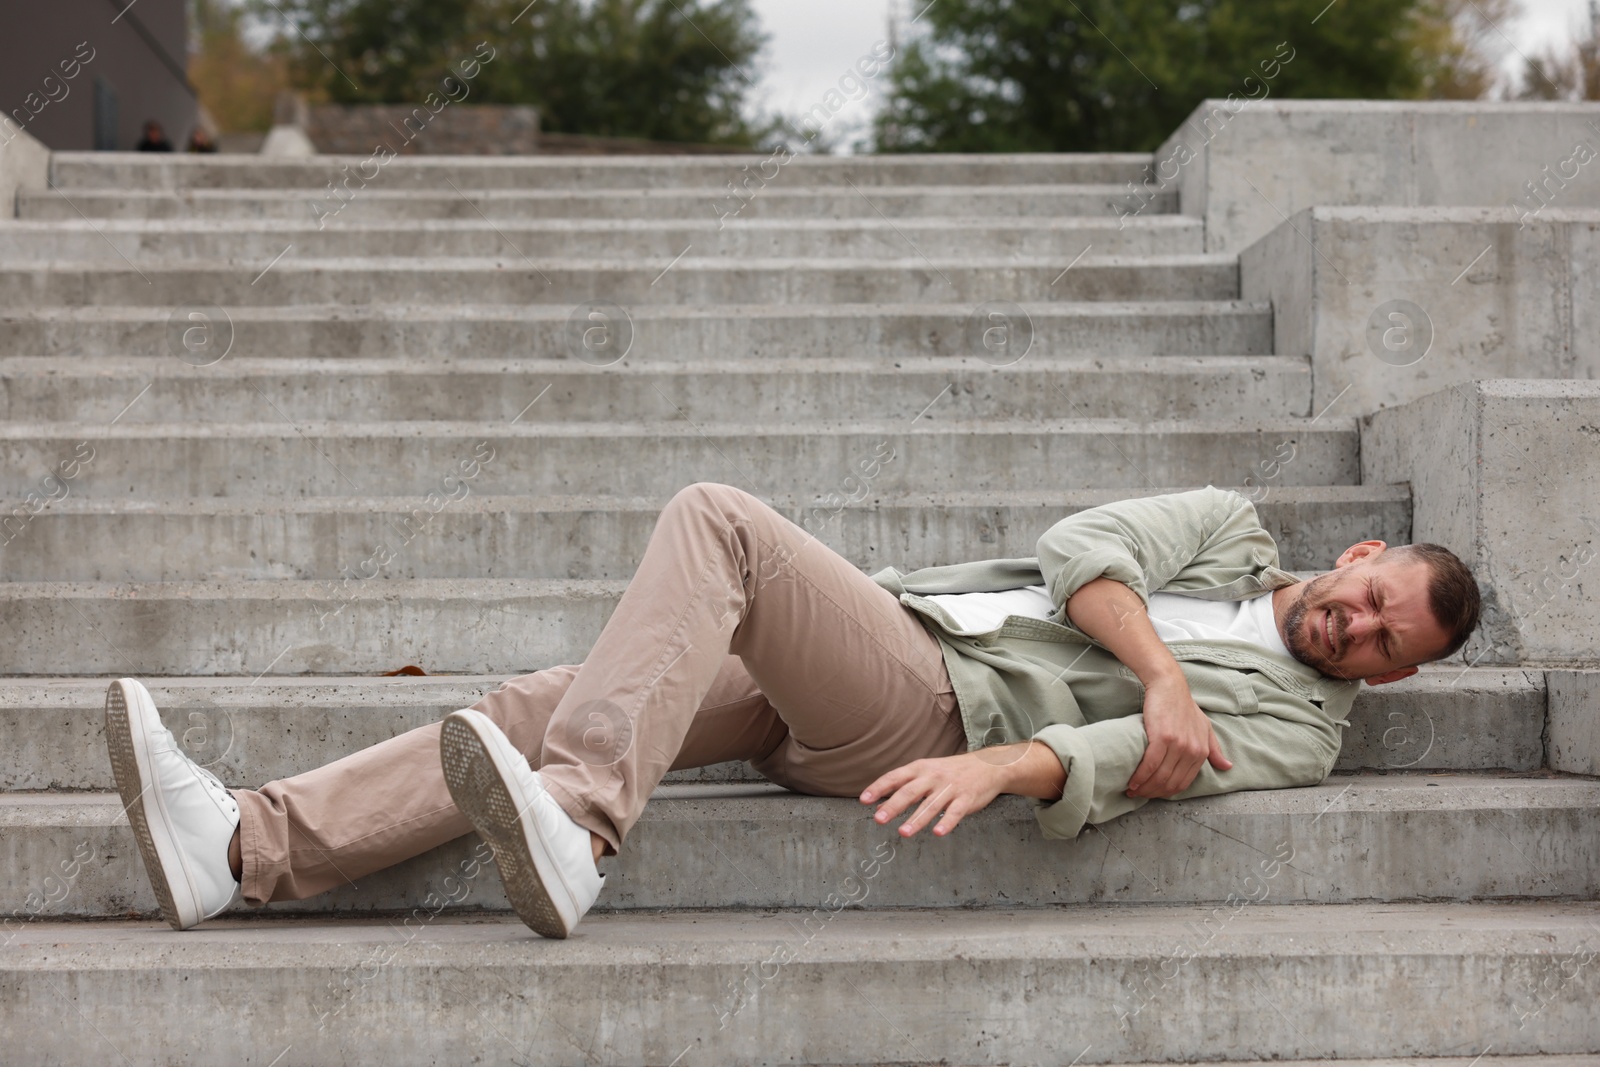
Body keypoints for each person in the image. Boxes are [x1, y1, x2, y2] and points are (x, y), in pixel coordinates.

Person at [102, 483, 1480, 937]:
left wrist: (1014, 764)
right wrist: (1171, 675)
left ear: (1391, 677)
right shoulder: (1231, 530)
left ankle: (582, 829)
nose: (1352, 629)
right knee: (547, 699)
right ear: (1361, 557)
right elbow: (1084, 552)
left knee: (722, 523)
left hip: (930, 710)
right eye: (1370, 599)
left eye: (1379, 647)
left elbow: (1135, 763)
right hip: (878, 653)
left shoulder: (1308, 725)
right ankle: (238, 851)